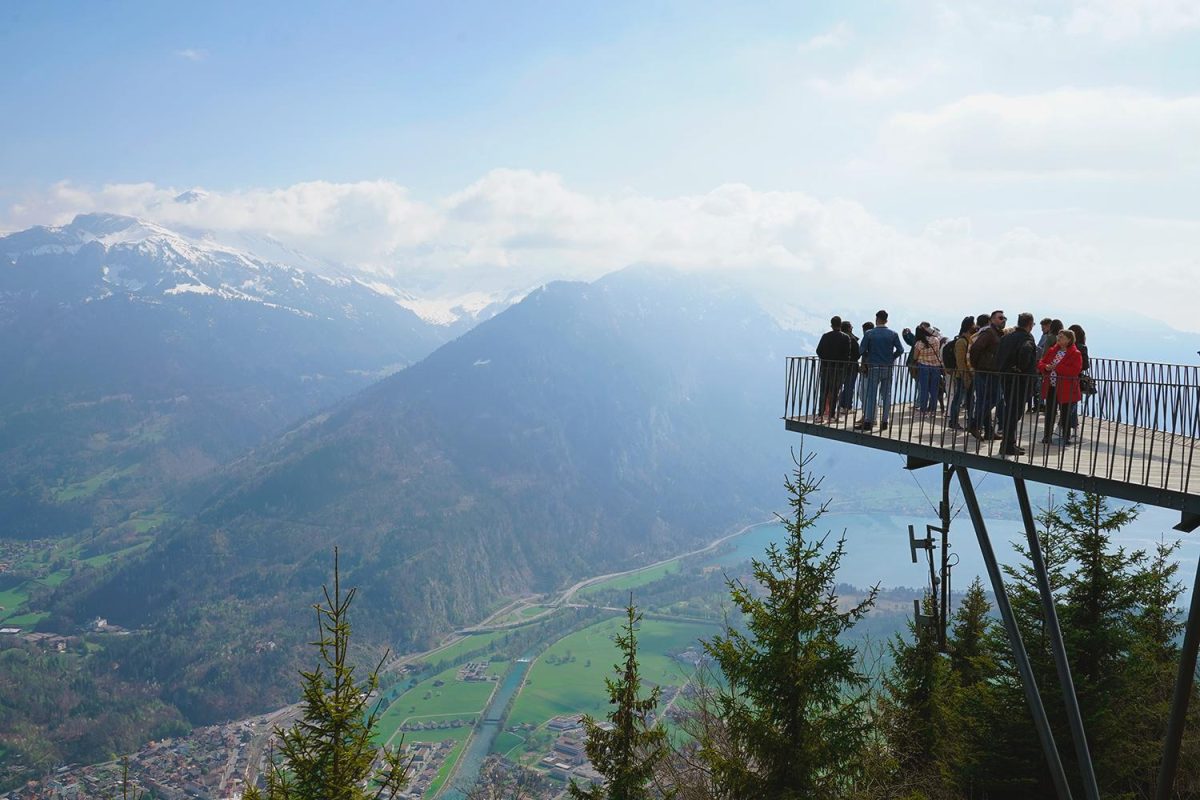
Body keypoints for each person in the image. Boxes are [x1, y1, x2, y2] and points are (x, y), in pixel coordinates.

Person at [993, 312, 1039, 456]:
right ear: (1030, 325)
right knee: (1015, 412)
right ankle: (1007, 445)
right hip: (1020, 381)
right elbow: (1026, 352)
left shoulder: (1006, 337)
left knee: (1011, 410)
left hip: (1006, 378)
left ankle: (1009, 443)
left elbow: (998, 355)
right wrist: (1021, 368)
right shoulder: (1027, 338)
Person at [855, 309, 905, 432]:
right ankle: (885, 421)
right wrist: (891, 357)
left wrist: (868, 355)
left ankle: (868, 421)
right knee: (886, 394)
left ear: (876, 319)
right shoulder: (893, 334)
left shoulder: (870, 334)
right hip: (887, 367)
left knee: (871, 395)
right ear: (886, 320)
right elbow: (901, 349)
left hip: (874, 367)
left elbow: (861, 350)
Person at [1038, 328, 1084, 445]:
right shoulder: (1053, 350)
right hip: (1052, 386)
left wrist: (1055, 367)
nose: (1058, 338)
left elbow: (1074, 370)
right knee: (1050, 412)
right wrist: (1045, 367)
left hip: (1066, 388)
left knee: (1065, 413)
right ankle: (1047, 436)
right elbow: (1041, 362)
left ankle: (1066, 436)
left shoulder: (1075, 354)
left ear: (1069, 340)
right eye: (1059, 336)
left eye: (1062, 337)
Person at [968, 310, 1006, 441]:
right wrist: (977, 366)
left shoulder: (996, 333)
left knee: (987, 400)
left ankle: (989, 431)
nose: (1003, 320)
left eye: (1004, 317)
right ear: (992, 320)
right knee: (992, 399)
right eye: (1000, 318)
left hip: (992, 372)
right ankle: (974, 424)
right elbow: (975, 348)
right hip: (986, 372)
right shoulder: (989, 332)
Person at [815, 315, 851, 423]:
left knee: (824, 391)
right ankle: (831, 416)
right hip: (839, 369)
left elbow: (819, 351)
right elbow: (847, 354)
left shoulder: (825, 336)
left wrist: (825, 359)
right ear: (840, 324)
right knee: (834, 391)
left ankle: (821, 415)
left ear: (831, 325)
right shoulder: (846, 337)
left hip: (826, 367)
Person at [946, 316, 977, 429]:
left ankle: (970, 422)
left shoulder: (968, 340)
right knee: (958, 400)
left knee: (970, 400)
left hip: (968, 375)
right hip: (962, 376)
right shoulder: (961, 342)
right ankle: (953, 422)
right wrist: (965, 376)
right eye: (973, 324)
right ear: (969, 326)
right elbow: (960, 361)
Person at [912, 325, 942, 414]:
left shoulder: (919, 343)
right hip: (936, 366)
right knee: (934, 389)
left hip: (924, 367)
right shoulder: (936, 340)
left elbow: (915, 356)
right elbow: (938, 334)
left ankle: (923, 410)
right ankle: (933, 409)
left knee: (924, 389)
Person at [1067, 324, 1090, 433]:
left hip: (1065, 376)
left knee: (1067, 401)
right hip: (1077, 377)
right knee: (1073, 401)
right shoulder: (1082, 347)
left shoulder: (1067, 346)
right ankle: (1073, 425)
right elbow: (1086, 365)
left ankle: (1066, 423)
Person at [838, 319, 860, 414]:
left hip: (841, 365)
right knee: (849, 386)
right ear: (849, 328)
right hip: (852, 365)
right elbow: (858, 353)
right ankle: (847, 407)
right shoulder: (852, 339)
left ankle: (842, 405)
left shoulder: (840, 338)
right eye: (851, 326)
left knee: (842, 386)